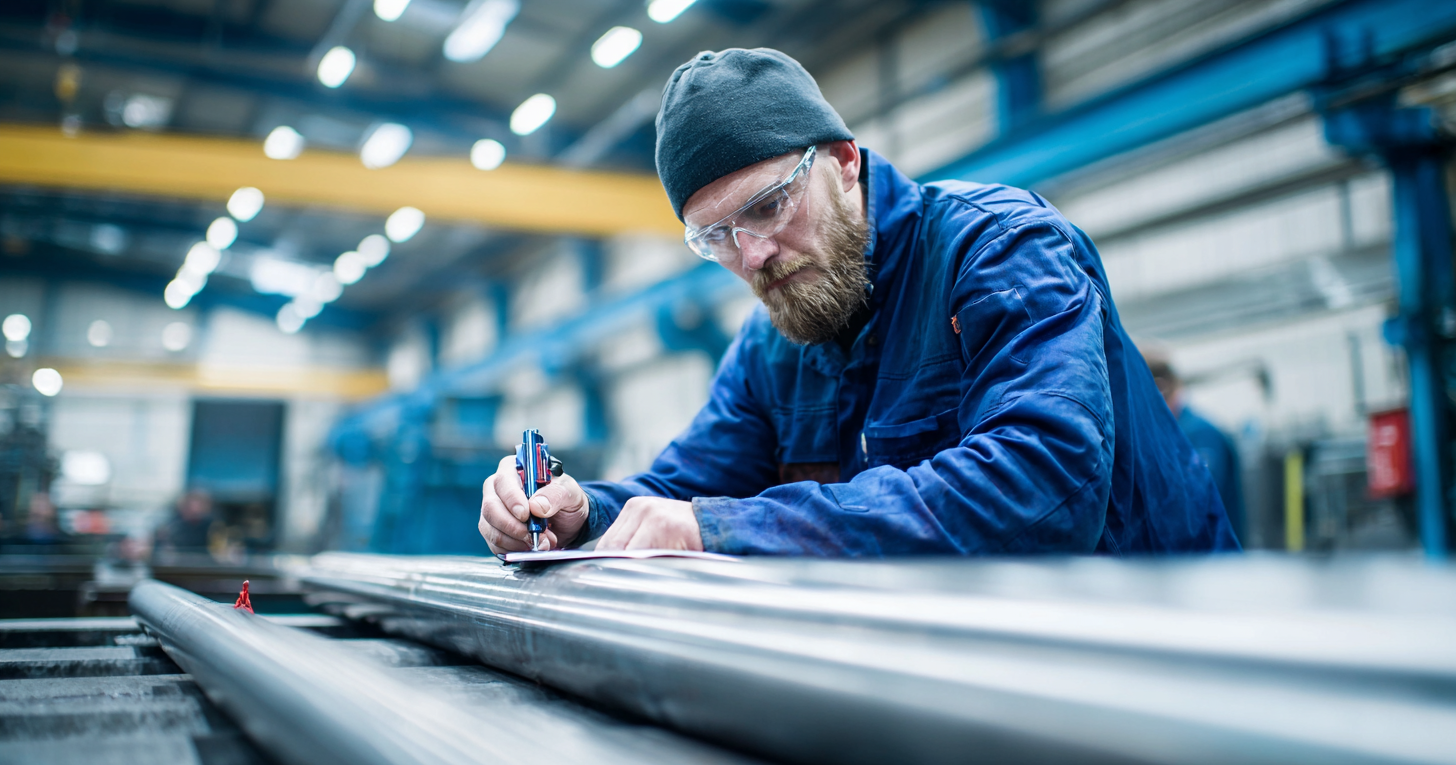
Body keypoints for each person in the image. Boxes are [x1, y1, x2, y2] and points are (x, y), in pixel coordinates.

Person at [480, 48, 1239, 556]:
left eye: (770, 205)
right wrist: (584, 513)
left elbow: (1045, 483)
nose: (753, 257)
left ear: (843, 163)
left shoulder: (1000, 248)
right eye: (716, 237)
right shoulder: (773, 343)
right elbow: (684, 491)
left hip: (1170, 668)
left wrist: (724, 530)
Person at [1142, 349, 1246, 543]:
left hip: (1213, 564)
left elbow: (1194, 507)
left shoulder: (1200, 436)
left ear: (1160, 389)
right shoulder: (1168, 433)